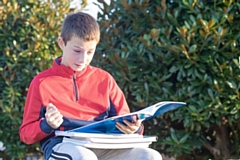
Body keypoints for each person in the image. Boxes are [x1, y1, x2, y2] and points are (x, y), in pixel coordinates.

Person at [19, 12, 162, 160]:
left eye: (90, 52)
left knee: (150, 156)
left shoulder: (104, 79)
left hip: (106, 146)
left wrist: (135, 127)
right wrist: (47, 124)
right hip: (63, 145)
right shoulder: (41, 82)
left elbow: (126, 119)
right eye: (77, 51)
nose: (83, 59)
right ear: (62, 43)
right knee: (84, 157)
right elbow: (26, 134)